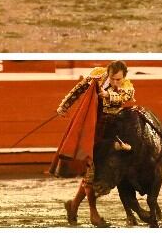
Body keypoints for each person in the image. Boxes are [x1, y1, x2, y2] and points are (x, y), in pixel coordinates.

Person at [57, 61, 135, 216]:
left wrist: (109, 95)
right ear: (108, 73)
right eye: (112, 79)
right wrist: (64, 105)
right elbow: (79, 89)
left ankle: (74, 206)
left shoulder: (127, 85)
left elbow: (125, 96)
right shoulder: (97, 75)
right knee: (91, 172)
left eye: (118, 79)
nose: (115, 82)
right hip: (93, 128)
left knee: (93, 172)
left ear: (124, 77)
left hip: (112, 129)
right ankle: (91, 213)